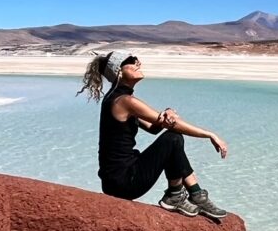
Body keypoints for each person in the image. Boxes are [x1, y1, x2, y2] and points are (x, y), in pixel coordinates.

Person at [76, 51, 229, 220]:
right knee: (173, 138)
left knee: (172, 139)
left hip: (115, 180)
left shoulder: (117, 98)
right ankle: (181, 195)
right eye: (131, 61)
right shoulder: (125, 101)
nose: (138, 62)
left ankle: (193, 194)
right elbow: (170, 125)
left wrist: (167, 112)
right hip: (125, 181)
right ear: (119, 71)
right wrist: (210, 134)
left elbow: (153, 127)